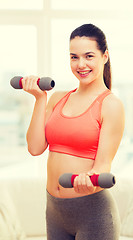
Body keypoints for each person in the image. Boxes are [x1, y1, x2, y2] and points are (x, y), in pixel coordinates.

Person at [22, 24, 125, 240]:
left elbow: (103, 165)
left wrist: (88, 179)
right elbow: (35, 147)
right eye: (74, 57)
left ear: (104, 56)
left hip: (93, 214)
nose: (81, 64)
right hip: (55, 211)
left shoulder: (110, 105)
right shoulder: (58, 98)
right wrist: (40, 98)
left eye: (89, 56)